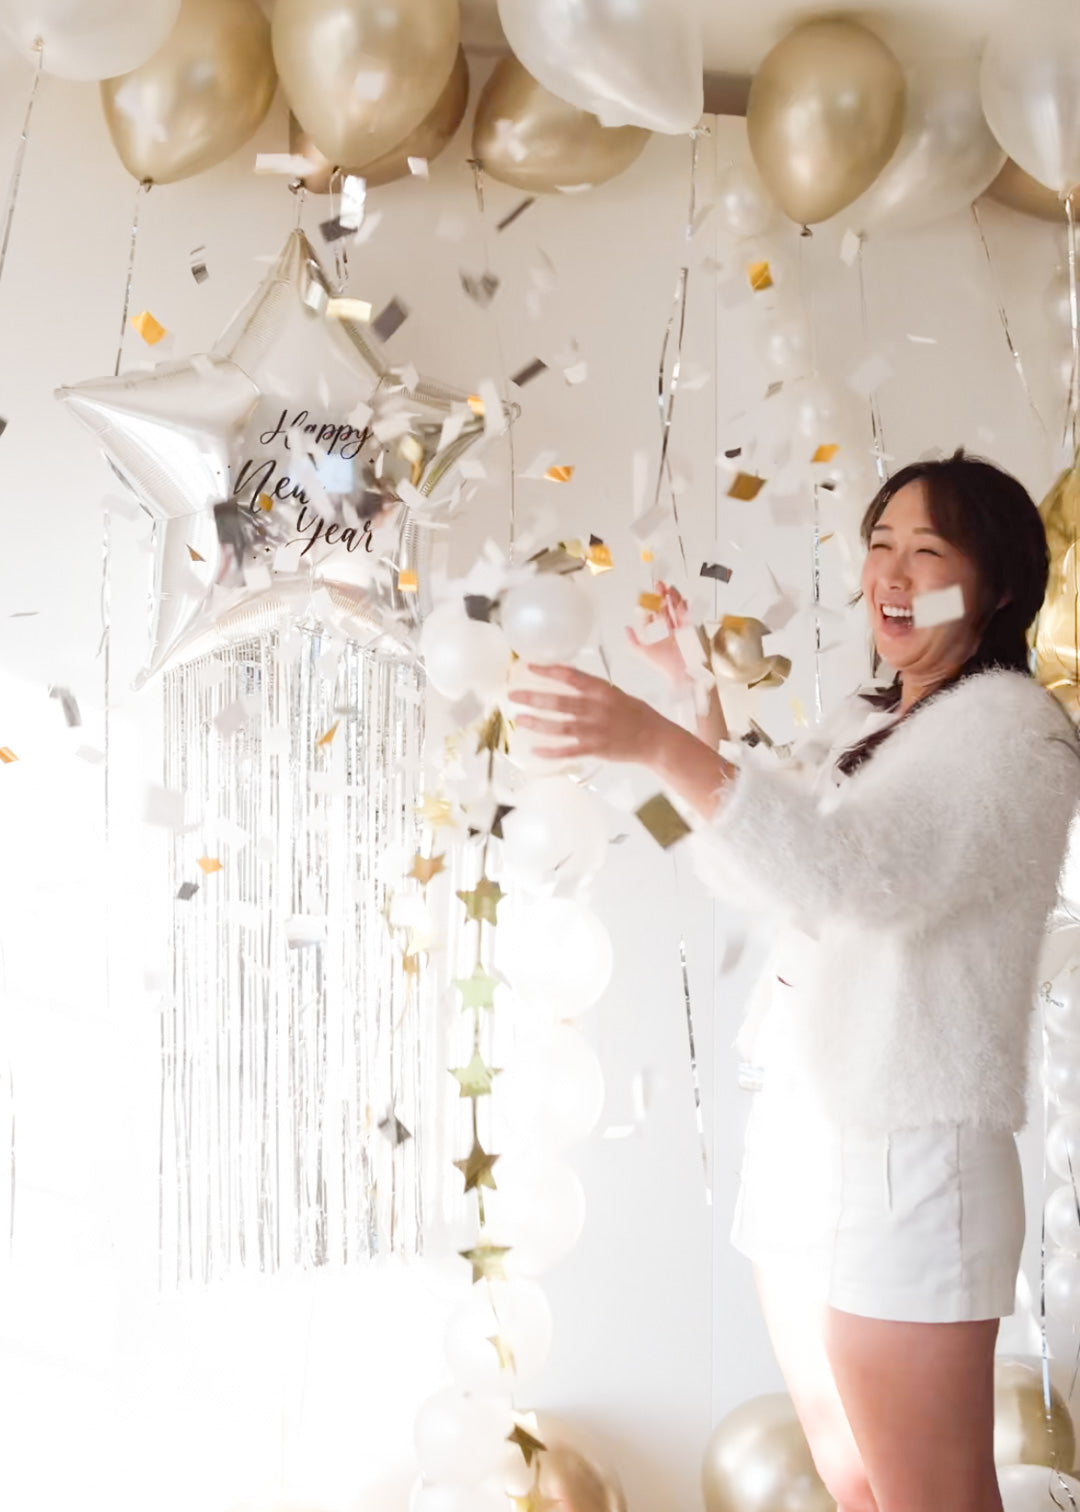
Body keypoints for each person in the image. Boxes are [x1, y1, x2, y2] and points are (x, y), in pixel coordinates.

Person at [508, 451, 1080, 1512]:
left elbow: (853, 875)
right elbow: (752, 862)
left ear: (997, 587)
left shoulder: (1014, 732)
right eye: (879, 545)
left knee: (930, 1497)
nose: (892, 575)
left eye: (928, 552)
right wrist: (686, 705)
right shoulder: (871, 720)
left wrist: (660, 742)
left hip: (908, 1158)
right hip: (803, 1140)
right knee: (853, 1481)